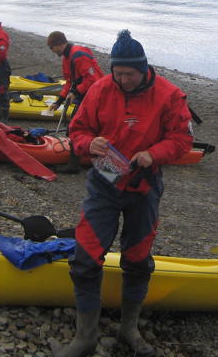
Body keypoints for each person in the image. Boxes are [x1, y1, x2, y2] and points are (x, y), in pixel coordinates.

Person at [50, 30, 192, 357]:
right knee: (85, 259)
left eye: (129, 74)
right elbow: (78, 130)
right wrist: (89, 144)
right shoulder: (102, 89)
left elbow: (182, 140)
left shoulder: (169, 95)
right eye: (118, 73)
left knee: (138, 261)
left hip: (144, 187)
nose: (123, 80)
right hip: (104, 185)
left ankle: (129, 329)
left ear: (144, 70)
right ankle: (85, 338)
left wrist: (153, 154)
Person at [46, 30, 104, 173]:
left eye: (51, 48)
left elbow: (93, 79)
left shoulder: (78, 56)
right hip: (85, 95)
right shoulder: (67, 58)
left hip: (96, 96)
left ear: (58, 44)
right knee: (76, 126)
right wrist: (59, 101)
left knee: (76, 126)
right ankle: (78, 160)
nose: (52, 51)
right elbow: (69, 81)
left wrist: (76, 92)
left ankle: (75, 165)